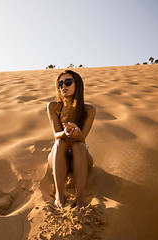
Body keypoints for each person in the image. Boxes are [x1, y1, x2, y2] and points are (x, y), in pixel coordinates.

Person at [47, 70, 96, 208]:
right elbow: (56, 134)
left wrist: (76, 132)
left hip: (79, 155)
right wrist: (64, 133)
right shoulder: (53, 107)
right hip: (59, 154)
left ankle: (80, 198)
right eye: (60, 83)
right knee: (59, 143)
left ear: (78, 85)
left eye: (68, 82)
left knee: (78, 145)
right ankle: (59, 195)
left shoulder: (89, 110)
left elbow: (83, 138)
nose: (63, 86)